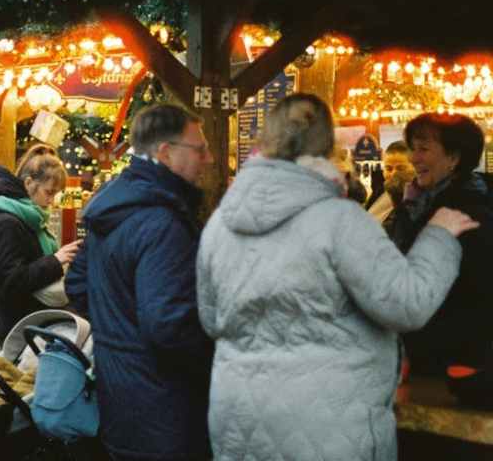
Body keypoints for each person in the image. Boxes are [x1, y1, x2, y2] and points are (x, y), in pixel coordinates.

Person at [196, 93, 478, 461]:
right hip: (328, 427)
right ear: (328, 147)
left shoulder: (220, 224)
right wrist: (438, 237)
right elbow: (407, 304)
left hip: (240, 420)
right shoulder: (341, 220)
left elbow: (210, 318)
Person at [65, 103, 215, 461]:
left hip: (120, 403)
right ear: (165, 153)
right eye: (200, 149)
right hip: (166, 413)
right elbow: (169, 325)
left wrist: (119, 335)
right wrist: (215, 359)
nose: (208, 159)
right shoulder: (162, 222)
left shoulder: (115, 208)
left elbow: (78, 285)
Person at [385, 112, 493, 377]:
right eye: (413, 148)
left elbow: (472, 298)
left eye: (424, 149)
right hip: (416, 355)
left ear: (454, 158)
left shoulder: (468, 213)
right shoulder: (415, 205)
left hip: (451, 363)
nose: (413, 158)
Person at [0, 144, 80, 342]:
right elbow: (10, 282)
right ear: (29, 183)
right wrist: (55, 260)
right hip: (19, 329)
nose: (51, 201)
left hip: (32, 324)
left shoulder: (29, 216)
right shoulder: (6, 221)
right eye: (49, 192)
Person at [367, 140, 415, 222]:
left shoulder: (421, 203)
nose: (393, 174)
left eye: (401, 169)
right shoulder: (379, 191)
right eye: (388, 169)